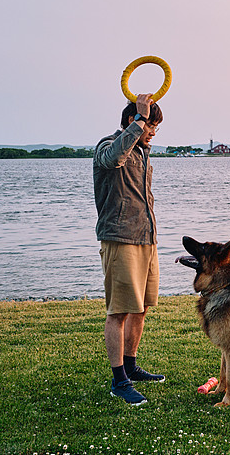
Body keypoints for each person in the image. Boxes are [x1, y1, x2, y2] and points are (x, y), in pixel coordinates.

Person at [93, 93, 165, 406]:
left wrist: (152, 234)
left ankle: (131, 366)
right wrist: (138, 119)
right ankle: (119, 381)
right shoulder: (107, 146)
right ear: (132, 120)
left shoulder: (145, 153)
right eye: (150, 124)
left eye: (154, 126)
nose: (151, 131)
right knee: (119, 310)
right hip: (119, 237)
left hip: (146, 238)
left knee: (142, 306)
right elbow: (113, 159)